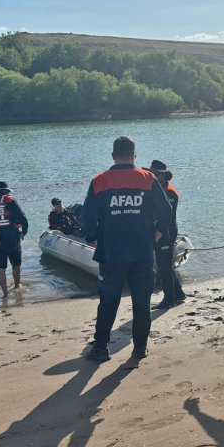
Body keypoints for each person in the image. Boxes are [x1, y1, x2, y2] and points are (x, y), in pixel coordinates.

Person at [82, 137, 172, 362]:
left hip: (112, 254)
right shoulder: (148, 178)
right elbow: (166, 210)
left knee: (108, 302)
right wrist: (159, 232)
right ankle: (139, 349)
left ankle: (101, 349)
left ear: (113, 156)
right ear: (134, 155)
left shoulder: (99, 181)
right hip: (142, 252)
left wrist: (92, 237)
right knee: (141, 303)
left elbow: (87, 216)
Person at [146, 160, 187, 309]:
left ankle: (169, 300)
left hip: (166, 231)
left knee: (164, 266)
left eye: (156, 173)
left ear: (163, 175)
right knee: (165, 264)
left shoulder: (170, 192)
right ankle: (179, 294)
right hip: (160, 230)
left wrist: (160, 231)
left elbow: (166, 215)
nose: (153, 176)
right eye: (151, 173)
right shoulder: (156, 189)